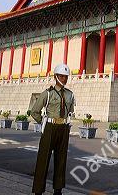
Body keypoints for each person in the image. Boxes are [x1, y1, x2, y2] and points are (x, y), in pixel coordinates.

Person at [31, 63, 75, 195]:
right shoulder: (47, 93)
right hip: (50, 127)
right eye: (61, 76)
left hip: (63, 128)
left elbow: (71, 111)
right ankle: (38, 190)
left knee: (61, 159)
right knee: (43, 159)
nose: (64, 79)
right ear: (56, 77)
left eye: (66, 77)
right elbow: (35, 111)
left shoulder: (70, 95)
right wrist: (43, 122)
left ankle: (58, 190)